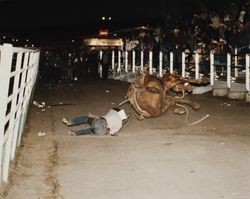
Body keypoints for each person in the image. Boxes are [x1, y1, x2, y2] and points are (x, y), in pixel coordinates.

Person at [62, 107, 129, 136]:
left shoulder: (112, 113)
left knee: (85, 119)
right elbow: (112, 133)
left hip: (100, 123)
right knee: (89, 131)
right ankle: (76, 133)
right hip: (102, 131)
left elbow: (101, 118)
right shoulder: (119, 124)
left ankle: (70, 122)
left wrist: (92, 115)